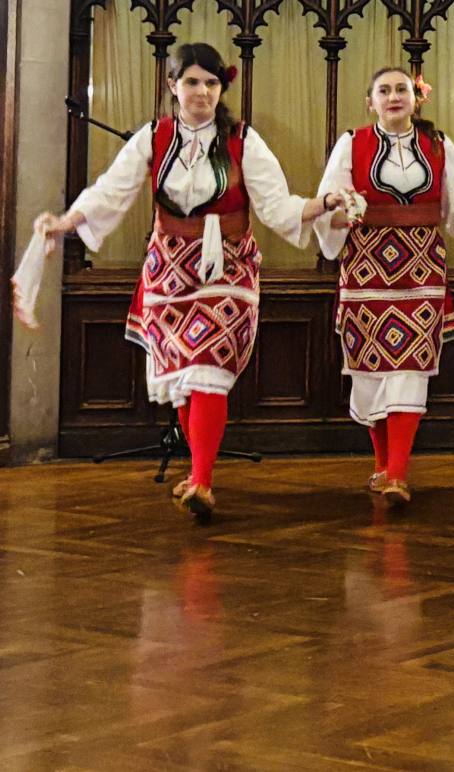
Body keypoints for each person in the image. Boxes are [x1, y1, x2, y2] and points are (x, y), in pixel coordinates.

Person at [40, 42, 337, 520]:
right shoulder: (153, 137)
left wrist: (321, 205)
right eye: (193, 81)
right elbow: (111, 191)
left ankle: (201, 479)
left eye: (211, 83)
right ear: (173, 86)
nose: (202, 91)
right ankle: (198, 469)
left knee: (209, 370)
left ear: (222, 88)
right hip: (169, 273)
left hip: (228, 269)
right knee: (184, 377)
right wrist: (66, 222)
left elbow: (277, 205)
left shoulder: (243, 140)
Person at [313, 67, 454, 506]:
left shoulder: (439, 145)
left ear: (416, 97)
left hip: (422, 269)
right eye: (384, 91)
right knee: (370, 373)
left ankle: (398, 475)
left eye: (401, 89)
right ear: (370, 101)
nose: (393, 97)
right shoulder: (351, 144)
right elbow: (328, 208)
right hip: (366, 269)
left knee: (410, 369)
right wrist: (342, 211)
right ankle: (383, 464)